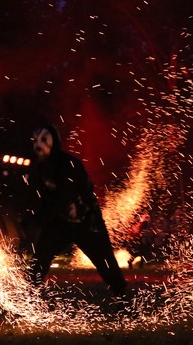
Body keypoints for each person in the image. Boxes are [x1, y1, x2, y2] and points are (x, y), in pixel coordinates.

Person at [26, 124, 127, 297]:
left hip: (88, 222)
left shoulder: (69, 165)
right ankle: (27, 300)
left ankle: (124, 300)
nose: (38, 146)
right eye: (35, 141)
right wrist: (37, 217)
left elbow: (62, 198)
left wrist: (39, 219)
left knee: (105, 263)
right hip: (62, 222)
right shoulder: (41, 168)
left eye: (43, 141)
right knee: (40, 259)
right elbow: (47, 199)